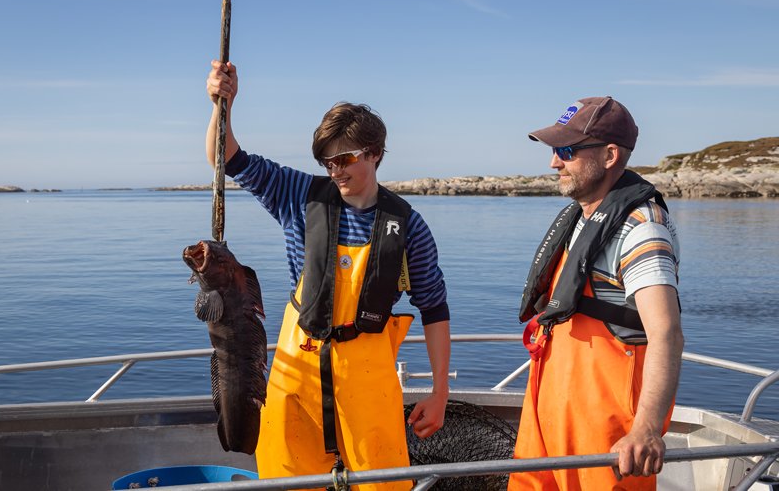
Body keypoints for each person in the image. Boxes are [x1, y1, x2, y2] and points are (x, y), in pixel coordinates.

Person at [205, 60, 451, 490]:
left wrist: (439, 392)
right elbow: (224, 158)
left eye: (345, 158)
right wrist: (221, 105)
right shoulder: (298, 194)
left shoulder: (408, 226)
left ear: (375, 153)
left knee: (382, 481)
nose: (335, 169)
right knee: (286, 479)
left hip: (368, 372)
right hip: (295, 363)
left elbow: (434, 308)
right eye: (326, 160)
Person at [508, 96, 684, 490]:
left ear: (609, 155)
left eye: (567, 151)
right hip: (549, 416)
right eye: (556, 150)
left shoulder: (642, 228)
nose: (554, 162)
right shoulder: (581, 219)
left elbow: (666, 333)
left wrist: (646, 430)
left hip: (604, 434)